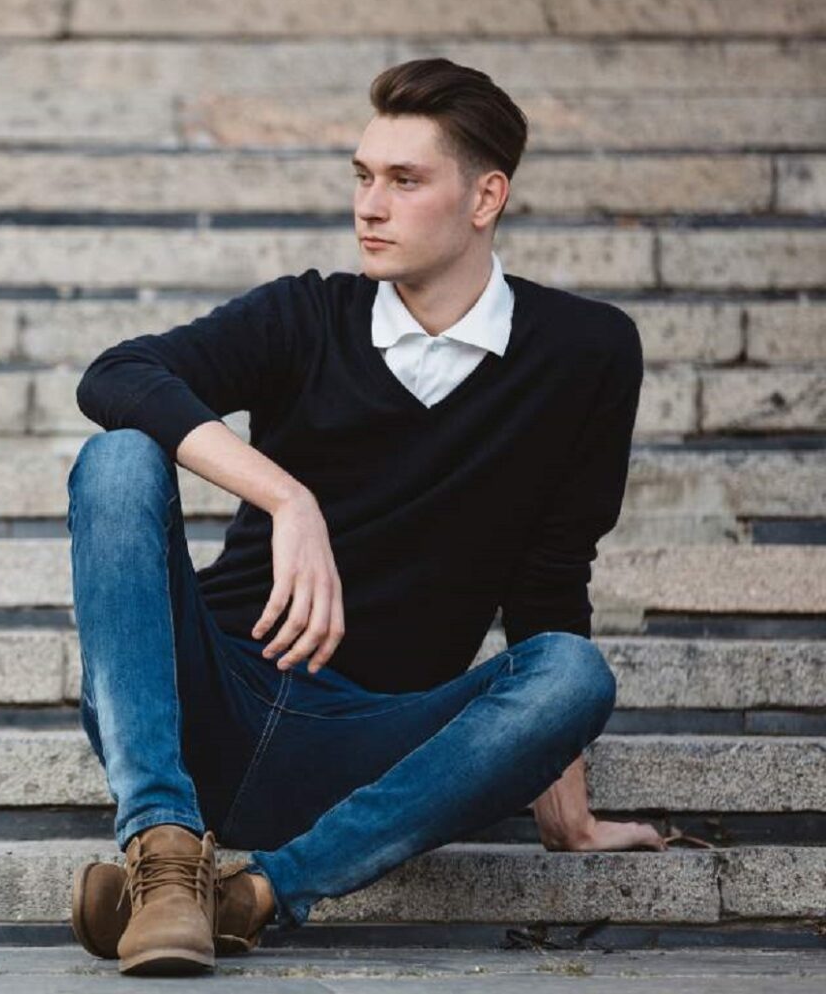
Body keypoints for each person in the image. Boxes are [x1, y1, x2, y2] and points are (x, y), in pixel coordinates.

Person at [65, 57, 667, 977]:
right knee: (117, 456)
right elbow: (116, 375)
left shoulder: (584, 353)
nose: (369, 206)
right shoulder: (308, 315)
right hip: (204, 702)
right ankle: (163, 843)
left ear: (485, 196)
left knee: (574, 674)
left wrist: (562, 784)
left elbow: (552, 578)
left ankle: (249, 894)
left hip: (368, 743)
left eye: (404, 179)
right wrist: (285, 495)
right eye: (362, 176)